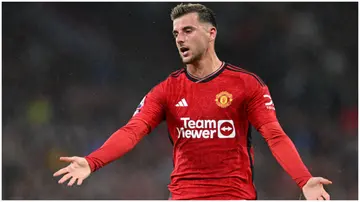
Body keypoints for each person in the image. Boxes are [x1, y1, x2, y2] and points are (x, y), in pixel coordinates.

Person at [53, 3, 332, 200]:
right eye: (176, 33)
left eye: (188, 30)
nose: (180, 39)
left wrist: (304, 179)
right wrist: (92, 162)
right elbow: (132, 130)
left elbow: (274, 135)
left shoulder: (247, 85)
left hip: (232, 197)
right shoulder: (166, 90)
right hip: (183, 197)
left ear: (211, 33)